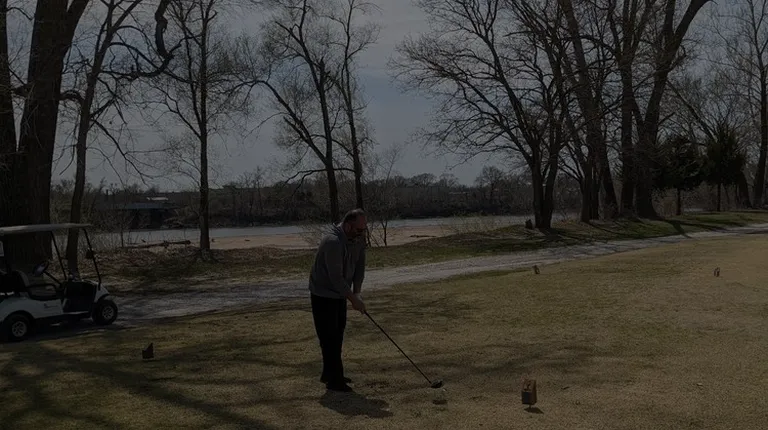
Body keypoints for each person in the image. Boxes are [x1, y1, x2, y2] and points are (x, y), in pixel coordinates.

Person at [308, 208, 368, 392]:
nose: (362, 233)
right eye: (359, 229)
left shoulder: (358, 239)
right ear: (348, 226)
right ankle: (335, 380)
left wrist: (357, 293)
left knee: (338, 333)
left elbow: (359, 267)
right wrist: (353, 300)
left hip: (339, 293)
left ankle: (330, 373)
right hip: (323, 293)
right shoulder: (332, 242)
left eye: (364, 229)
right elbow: (336, 278)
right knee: (329, 337)